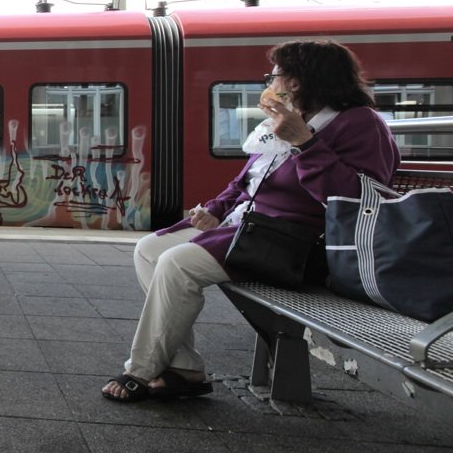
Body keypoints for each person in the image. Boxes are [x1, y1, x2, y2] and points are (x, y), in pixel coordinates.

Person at [102, 39, 400, 402]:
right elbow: (248, 181)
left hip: (298, 243)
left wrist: (306, 145)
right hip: (253, 230)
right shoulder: (289, 120)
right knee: (150, 249)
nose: (270, 82)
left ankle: (141, 369)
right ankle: (183, 366)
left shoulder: (360, 124)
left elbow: (357, 200)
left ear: (298, 81)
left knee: (178, 264)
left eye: (275, 75)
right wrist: (216, 209)